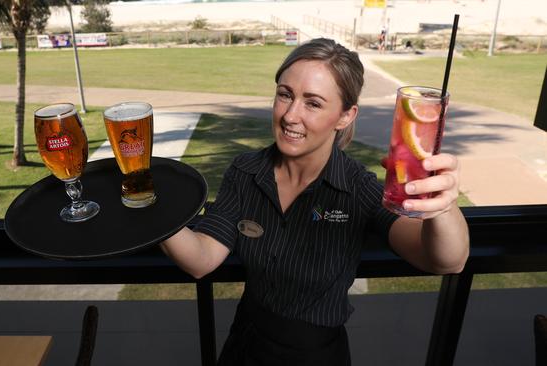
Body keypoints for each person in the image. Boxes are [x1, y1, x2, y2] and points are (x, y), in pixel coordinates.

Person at [161, 38, 469, 365]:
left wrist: (443, 206)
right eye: (285, 95)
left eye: (313, 103)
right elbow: (201, 260)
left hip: (315, 355)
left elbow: (448, 261)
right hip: (244, 345)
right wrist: (153, 207)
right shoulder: (245, 172)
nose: (291, 116)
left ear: (345, 116)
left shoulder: (358, 187)